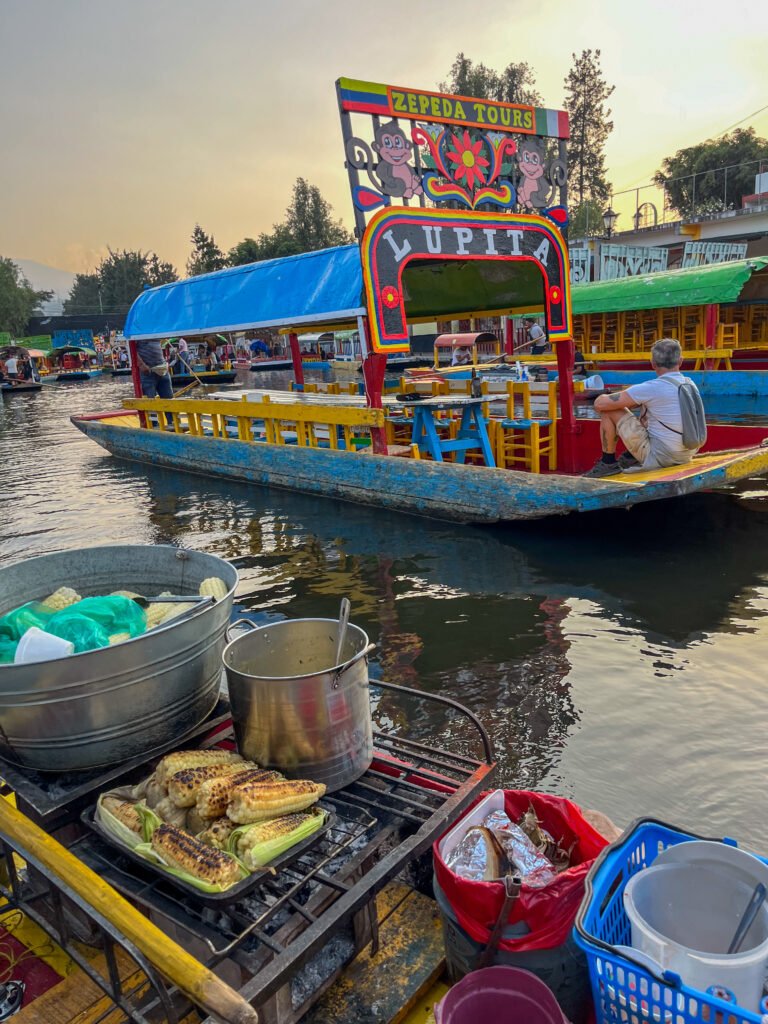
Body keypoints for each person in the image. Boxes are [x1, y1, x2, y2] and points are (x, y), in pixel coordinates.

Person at [584, 338, 703, 478]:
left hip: (662, 457)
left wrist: (607, 395)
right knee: (647, 408)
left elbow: (600, 404)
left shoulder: (652, 387)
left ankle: (608, 463)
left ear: (653, 363)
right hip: (687, 453)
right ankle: (630, 456)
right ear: (680, 361)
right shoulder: (689, 384)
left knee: (609, 410)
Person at [135, 338, 174, 425]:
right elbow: (132, 350)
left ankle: (172, 423)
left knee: (169, 398)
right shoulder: (137, 333)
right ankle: (154, 425)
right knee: (150, 400)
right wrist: (141, 365)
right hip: (147, 371)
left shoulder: (155, 332)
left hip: (162, 368)